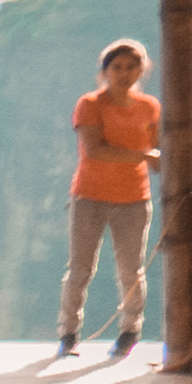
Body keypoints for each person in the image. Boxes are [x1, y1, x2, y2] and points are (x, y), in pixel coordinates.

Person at [62, 39, 159, 360]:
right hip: (89, 196)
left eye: (131, 67)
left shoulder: (150, 107)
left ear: (142, 70)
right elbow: (95, 149)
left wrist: (170, 156)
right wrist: (144, 157)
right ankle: (69, 333)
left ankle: (130, 331)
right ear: (104, 71)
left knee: (131, 270)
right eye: (117, 67)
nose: (124, 73)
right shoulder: (90, 104)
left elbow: (158, 150)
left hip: (134, 198)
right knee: (80, 269)